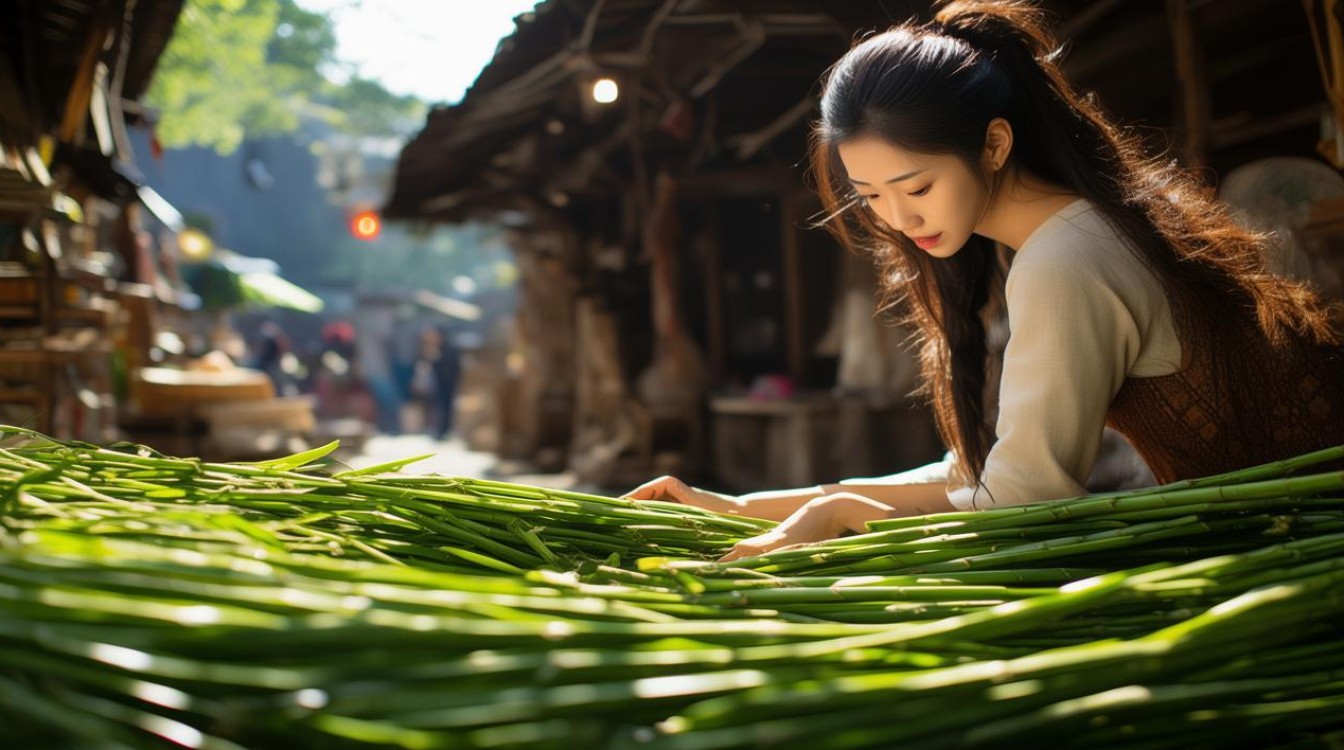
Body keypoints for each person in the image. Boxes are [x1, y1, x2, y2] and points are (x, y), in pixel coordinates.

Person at [627, 0, 1344, 561]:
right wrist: (748, 506)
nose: (900, 218)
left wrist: (846, 519)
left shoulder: (1067, 259)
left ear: (995, 144)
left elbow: (1021, 501)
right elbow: (982, 471)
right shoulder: (1070, 231)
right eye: (871, 196)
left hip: (1301, 556)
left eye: (917, 185)